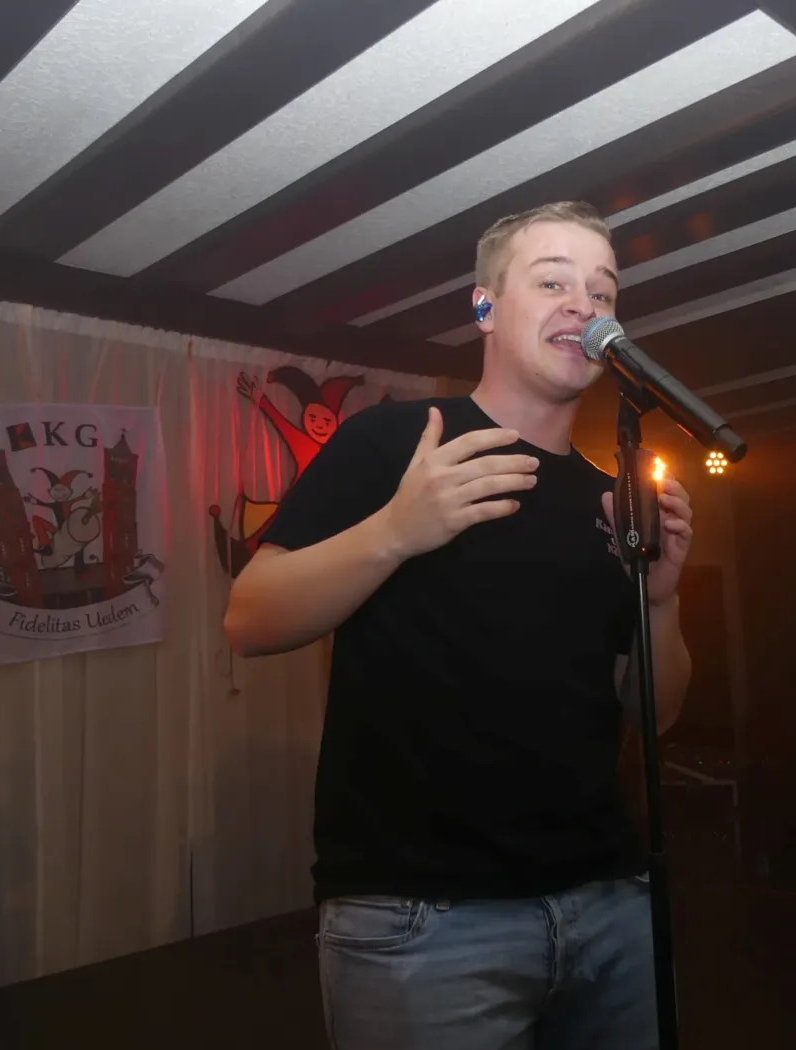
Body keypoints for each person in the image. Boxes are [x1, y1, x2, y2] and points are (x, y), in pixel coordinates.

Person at [223, 200, 695, 1050]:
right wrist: (396, 531)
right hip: (425, 919)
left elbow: (651, 716)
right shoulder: (398, 441)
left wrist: (658, 600)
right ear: (484, 307)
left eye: (602, 290)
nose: (584, 305)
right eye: (551, 282)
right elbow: (249, 619)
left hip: (607, 902)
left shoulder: (608, 497)